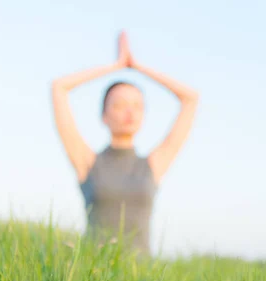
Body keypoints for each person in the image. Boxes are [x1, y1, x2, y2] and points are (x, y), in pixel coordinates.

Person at [51, 31, 199, 257]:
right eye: (119, 105)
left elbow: (190, 99)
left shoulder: (153, 165)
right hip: (94, 276)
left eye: (137, 106)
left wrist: (136, 67)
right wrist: (116, 66)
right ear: (104, 115)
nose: (129, 112)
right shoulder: (87, 162)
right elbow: (59, 88)